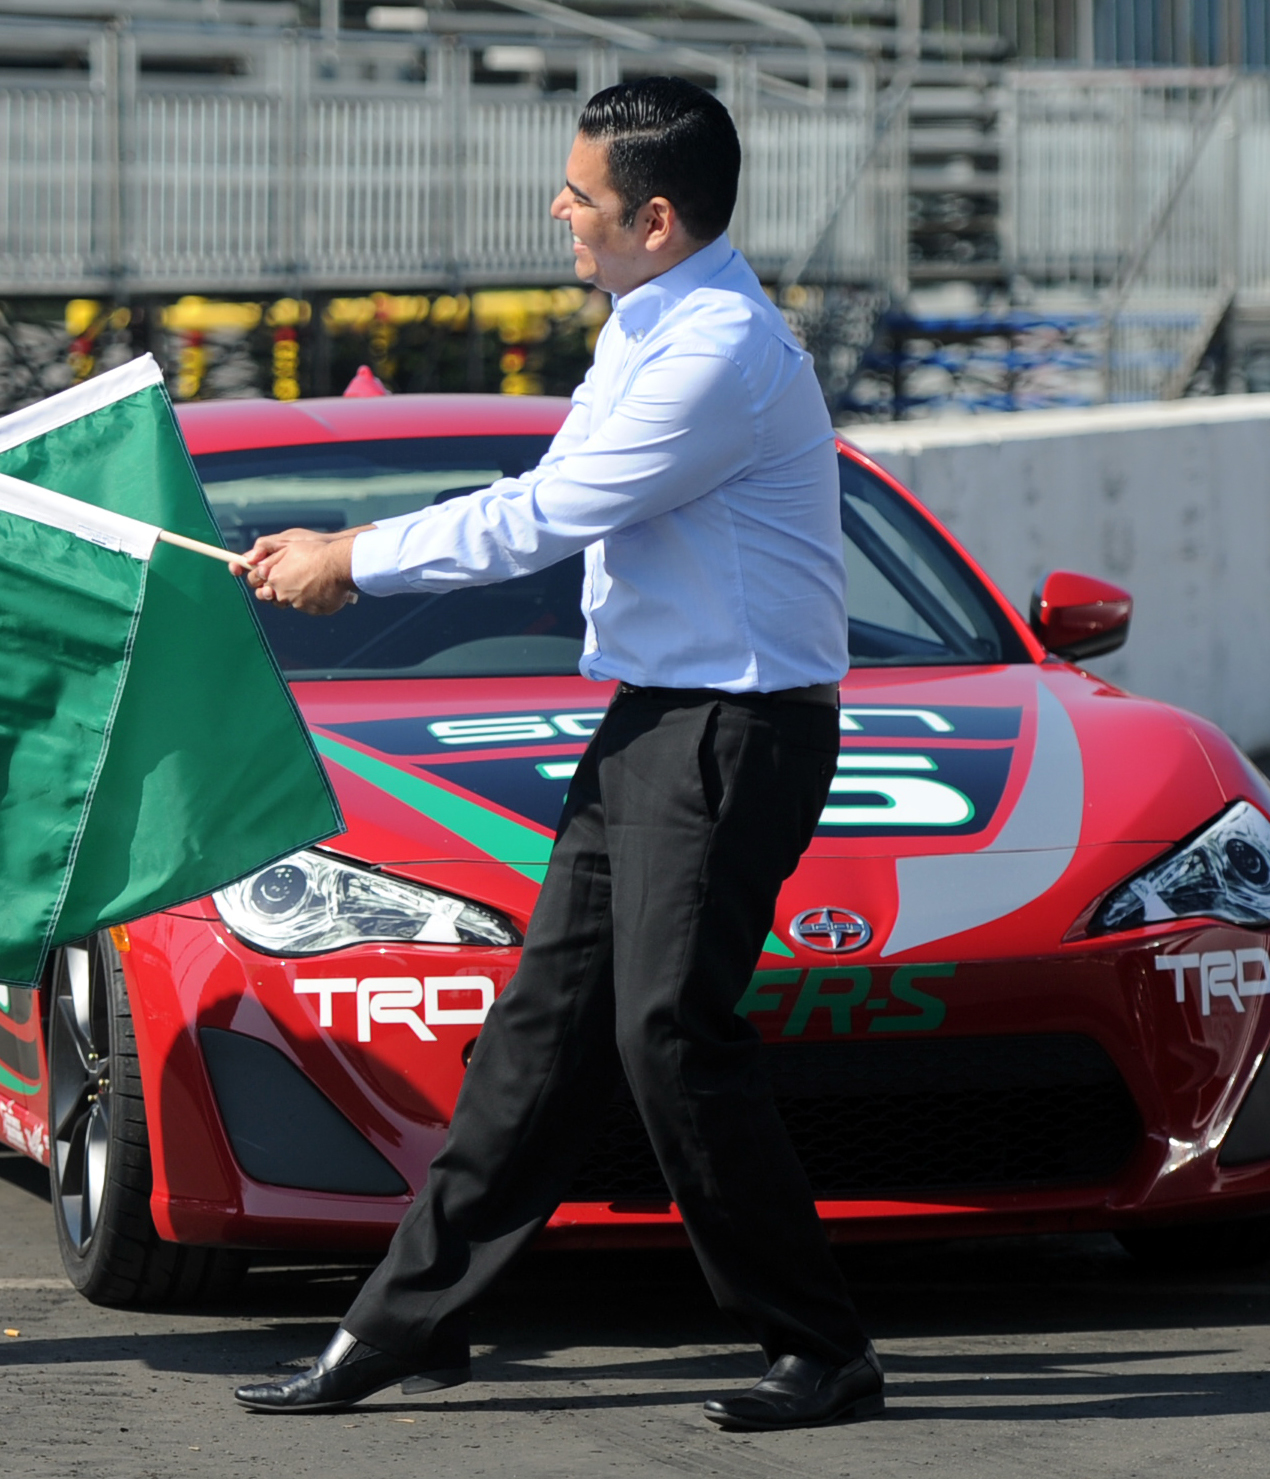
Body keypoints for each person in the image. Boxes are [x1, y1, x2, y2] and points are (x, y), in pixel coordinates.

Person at [231, 78, 881, 1432]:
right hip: (660, 718)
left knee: (665, 1034)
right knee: (535, 1035)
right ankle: (406, 1324)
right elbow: (539, 499)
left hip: (732, 728)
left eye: (577, 194)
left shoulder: (715, 351)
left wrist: (350, 558)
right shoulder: (649, 327)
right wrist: (348, 553)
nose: (556, 210)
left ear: (652, 215)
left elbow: (546, 515)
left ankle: (819, 1343)